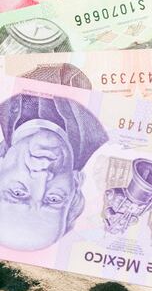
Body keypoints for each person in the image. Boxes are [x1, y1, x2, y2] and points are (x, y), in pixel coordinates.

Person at [0, 92, 108, 251]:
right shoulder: (101, 125)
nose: (42, 177)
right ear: (76, 182)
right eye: (54, 199)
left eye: (17, 193)